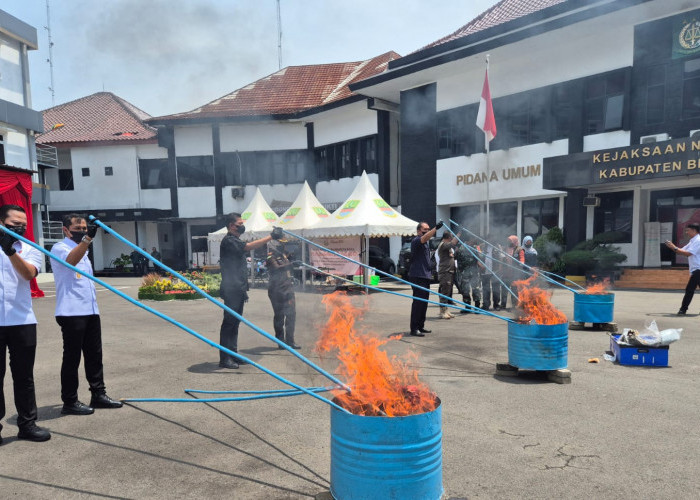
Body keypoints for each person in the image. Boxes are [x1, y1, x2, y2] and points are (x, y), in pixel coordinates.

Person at [50, 214, 123, 415]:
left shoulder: (84, 248)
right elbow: (71, 262)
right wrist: (87, 239)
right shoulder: (59, 248)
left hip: (90, 310)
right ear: (66, 230)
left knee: (94, 355)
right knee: (72, 358)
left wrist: (85, 241)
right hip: (71, 312)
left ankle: (98, 394)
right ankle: (70, 401)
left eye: (84, 228)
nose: (82, 231)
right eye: (78, 228)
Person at [0, 205, 51, 443]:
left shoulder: (30, 248)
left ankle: (27, 425)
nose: (19, 227)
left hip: (22, 321)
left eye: (23, 224)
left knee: (24, 376)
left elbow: (29, 274)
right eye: (14, 224)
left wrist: (10, 251)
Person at [218, 213, 276, 369]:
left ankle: (233, 354)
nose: (242, 226)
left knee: (235, 323)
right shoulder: (229, 241)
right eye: (239, 223)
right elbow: (248, 247)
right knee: (229, 323)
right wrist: (270, 237)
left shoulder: (235, 240)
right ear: (231, 226)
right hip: (232, 289)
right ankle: (224, 358)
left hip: (238, 288)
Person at [266, 230, 299, 349]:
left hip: (288, 289)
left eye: (284, 244)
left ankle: (290, 341)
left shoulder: (284, 256)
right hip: (276, 290)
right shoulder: (271, 256)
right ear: (275, 244)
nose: (283, 246)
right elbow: (276, 268)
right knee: (279, 315)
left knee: (291, 315)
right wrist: (290, 264)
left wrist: (291, 260)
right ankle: (281, 342)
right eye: (281, 244)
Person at [408, 221, 442, 336]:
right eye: (425, 230)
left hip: (425, 276)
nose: (427, 232)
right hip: (417, 276)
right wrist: (435, 228)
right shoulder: (417, 240)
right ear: (419, 231)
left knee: (424, 303)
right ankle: (414, 328)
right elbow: (425, 237)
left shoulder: (426, 243)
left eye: (428, 229)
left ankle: (421, 326)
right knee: (418, 303)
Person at [665, 222, 700, 315]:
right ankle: (683, 309)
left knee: (689, 289)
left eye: (688, 230)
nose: (686, 232)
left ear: (694, 230)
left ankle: (683, 309)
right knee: (690, 289)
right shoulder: (693, 241)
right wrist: (672, 247)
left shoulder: (698, 240)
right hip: (695, 269)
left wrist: (673, 247)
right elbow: (681, 251)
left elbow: (688, 253)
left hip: (698, 269)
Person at [455, 237, 482, 314]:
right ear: (469, 240)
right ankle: (467, 307)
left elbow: (479, 258)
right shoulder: (461, 247)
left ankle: (477, 307)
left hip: (474, 272)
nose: (474, 242)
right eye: (473, 240)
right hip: (464, 272)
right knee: (465, 290)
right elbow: (456, 257)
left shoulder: (475, 248)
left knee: (476, 289)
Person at [436, 232, 458, 319]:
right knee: (444, 292)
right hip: (445, 272)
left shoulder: (447, 246)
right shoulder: (443, 245)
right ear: (448, 238)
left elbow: (451, 255)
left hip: (449, 271)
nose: (452, 239)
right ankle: (442, 311)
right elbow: (453, 243)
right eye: (451, 237)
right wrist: (459, 234)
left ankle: (446, 310)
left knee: (447, 292)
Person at [501, 235, 525, 310]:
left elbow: (522, 258)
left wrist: (521, 263)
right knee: (504, 289)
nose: (508, 242)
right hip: (505, 273)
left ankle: (514, 305)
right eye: (508, 241)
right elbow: (501, 257)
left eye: (510, 241)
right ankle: (503, 305)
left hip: (514, 274)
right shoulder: (504, 248)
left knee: (514, 290)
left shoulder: (519, 249)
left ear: (514, 241)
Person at [480, 236, 501, 311]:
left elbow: (500, 257)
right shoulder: (482, 246)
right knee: (485, 289)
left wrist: (499, 268)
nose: (490, 240)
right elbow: (478, 256)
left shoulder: (497, 246)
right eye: (488, 238)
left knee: (496, 288)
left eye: (491, 238)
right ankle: (486, 304)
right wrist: (480, 265)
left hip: (495, 270)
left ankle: (496, 304)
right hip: (484, 271)